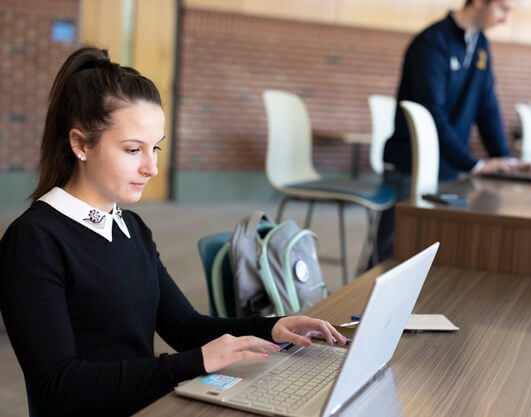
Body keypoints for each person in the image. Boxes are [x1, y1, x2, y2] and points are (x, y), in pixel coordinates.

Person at [0, 47, 346, 417]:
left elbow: (183, 326)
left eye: (156, 148)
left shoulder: (130, 226)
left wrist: (273, 328)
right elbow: (60, 386)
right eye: (134, 150)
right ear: (80, 143)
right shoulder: (34, 240)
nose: (151, 167)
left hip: (152, 403)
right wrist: (193, 363)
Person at [372, 0, 530, 264]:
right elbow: (433, 113)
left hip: (450, 168)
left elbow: (487, 107)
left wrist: (506, 160)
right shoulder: (432, 43)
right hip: (410, 166)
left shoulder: (480, 46)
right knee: (390, 256)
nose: (506, 19)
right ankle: (362, 305)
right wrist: (473, 164)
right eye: (503, 8)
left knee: (430, 255)